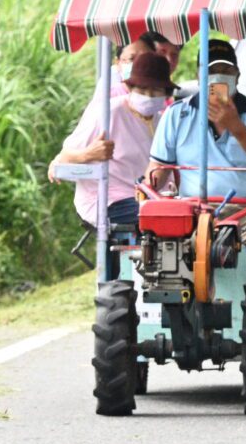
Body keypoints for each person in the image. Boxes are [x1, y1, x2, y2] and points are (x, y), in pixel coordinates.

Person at [145, 35, 246, 294]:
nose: (219, 77)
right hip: (193, 210)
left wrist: (234, 124)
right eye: (212, 71)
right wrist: (147, 189)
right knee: (159, 246)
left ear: (237, 76)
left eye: (225, 70)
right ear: (199, 76)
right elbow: (158, 170)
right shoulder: (177, 114)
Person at [51, 49, 173, 281]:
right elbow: (64, 157)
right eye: (141, 89)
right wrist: (89, 154)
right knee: (157, 216)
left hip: (149, 198)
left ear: (165, 93)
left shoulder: (161, 120)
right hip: (109, 198)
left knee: (183, 216)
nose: (148, 96)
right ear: (129, 87)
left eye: (155, 90)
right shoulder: (108, 112)